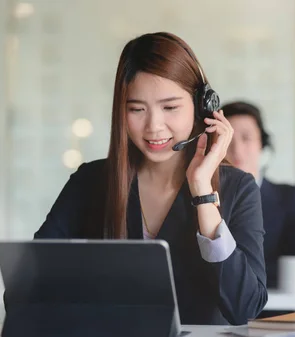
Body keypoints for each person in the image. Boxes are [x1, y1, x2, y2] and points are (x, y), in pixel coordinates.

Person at [29, 33, 268, 325]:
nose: (154, 126)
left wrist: (203, 194)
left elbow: (245, 307)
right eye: (137, 109)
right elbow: (30, 283)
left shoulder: (238, 188)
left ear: (201, 107)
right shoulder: (91, 182)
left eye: (170, 108)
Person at [222, 101, 295, 290]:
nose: (236, 149)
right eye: (227, 140)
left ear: (262, 144)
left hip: (275, 313)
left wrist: (236, 275)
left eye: (246, 138)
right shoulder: (202, 198)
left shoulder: (290, 198)